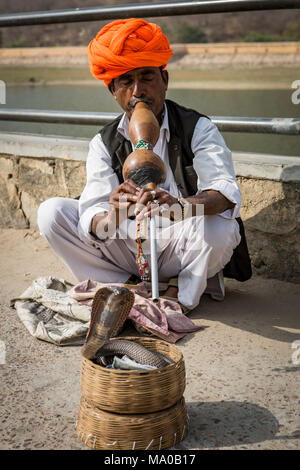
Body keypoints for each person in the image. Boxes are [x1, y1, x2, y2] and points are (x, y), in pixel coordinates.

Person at [38, 18, 247, 312]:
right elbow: (93, 219)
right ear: (114, 90)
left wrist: (182, 205)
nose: (138, 90)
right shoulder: (104, 142)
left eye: (147, 77)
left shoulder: (197, 128)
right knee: (52, 213)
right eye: (126, 81)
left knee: (221, 227)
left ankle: (179, 295)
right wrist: (113, 216)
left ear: (165, 80)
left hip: (181, 242)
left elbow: (225, 193)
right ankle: (125, 285)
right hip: (128, 243)